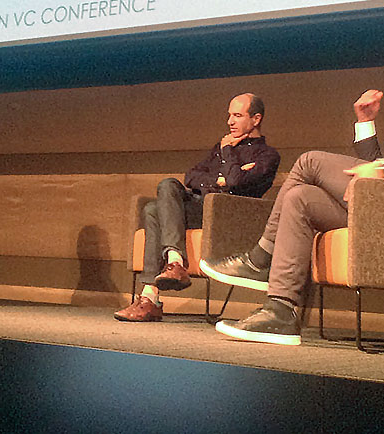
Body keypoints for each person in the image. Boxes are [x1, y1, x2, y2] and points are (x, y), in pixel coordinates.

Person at [201, 41, 384, 345]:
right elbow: (374, 166)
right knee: (299, 198)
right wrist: (365, 123)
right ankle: (281, 310)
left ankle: (259, 258)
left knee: (309, 162)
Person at [114, 93, 280, 322]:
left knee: (154, 210)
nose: (230, 122)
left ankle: (152, 296)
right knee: (164, 191)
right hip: (200, 206)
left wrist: (228, 155)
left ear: (256, 119)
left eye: (238, 115)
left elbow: (235, 183)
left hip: (225, 216)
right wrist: (217, 182)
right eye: (229, 115)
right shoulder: (218, 148)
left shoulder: (267, 155)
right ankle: (170, 268)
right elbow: (191, 176)